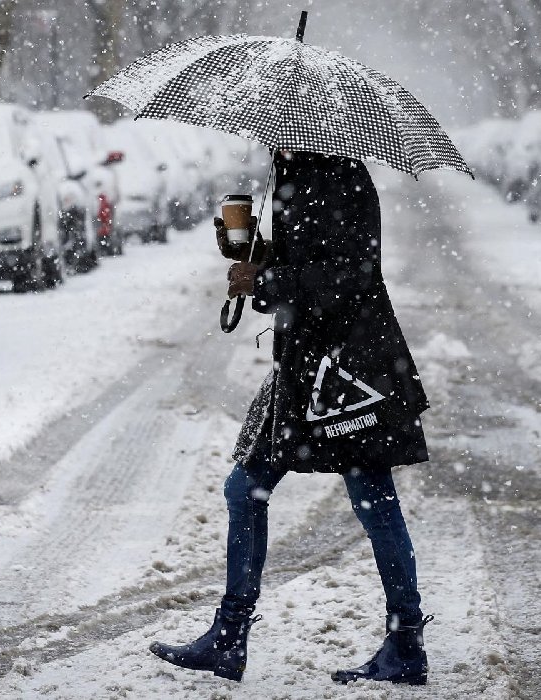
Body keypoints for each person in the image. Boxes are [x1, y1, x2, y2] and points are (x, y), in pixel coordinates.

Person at [149, 151, 433, 685]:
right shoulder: (299, 170)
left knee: (371, 499)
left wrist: (267, 279)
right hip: (308, 364)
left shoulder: (335, 172)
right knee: (249, 486)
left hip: (346, 371)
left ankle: (404, 644)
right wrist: (254, 251)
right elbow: (315, 259)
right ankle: (232, 638)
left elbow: (348, 275)